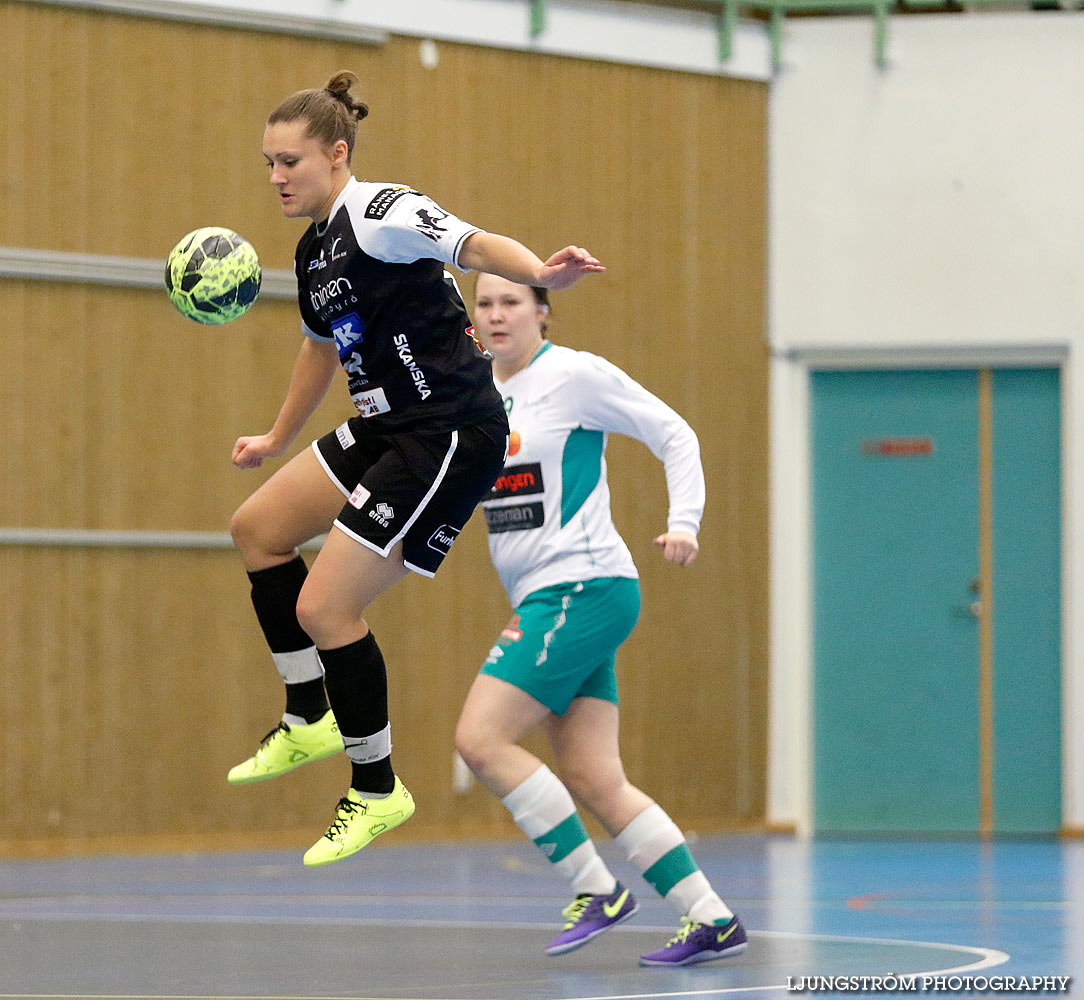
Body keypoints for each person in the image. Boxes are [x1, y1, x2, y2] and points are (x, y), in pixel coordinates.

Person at [226, 71, 605, 867]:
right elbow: (321, 348)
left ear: (336, 154)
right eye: (267, 163)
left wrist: (542, 271)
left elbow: (473, 245)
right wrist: (276, 435)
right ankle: (308, 716)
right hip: (383, 424)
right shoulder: (314, 248)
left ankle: (375, 789)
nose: (276, 178)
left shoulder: (381, 212)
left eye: (289, 161)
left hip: (448, 435)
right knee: (257, 529)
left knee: (326, 609)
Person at [455, 273, 748, 966]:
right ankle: (711, 917)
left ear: (543, 315)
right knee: (594, 779)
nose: (497, 316)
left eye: (512, 303)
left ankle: (596, 889)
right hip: (550, 596)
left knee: (480, 738)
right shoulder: (477, 395)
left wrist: (685, 524)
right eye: (486, 303)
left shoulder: (575, 377)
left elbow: (675, 433)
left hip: (581, 587)